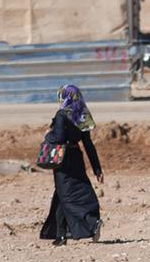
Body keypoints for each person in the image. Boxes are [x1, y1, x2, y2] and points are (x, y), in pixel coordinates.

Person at [38, 85, 104, 246]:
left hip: (63, 161)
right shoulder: (82, 115)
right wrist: (97, 168)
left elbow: (59, 138)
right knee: (62, 195)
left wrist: (48, 135)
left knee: (68, 197)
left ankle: (92, 222)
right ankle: (61, 235)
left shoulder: (62, 115)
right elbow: (88, 144)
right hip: (76, 157)